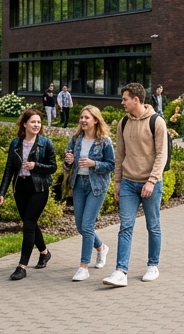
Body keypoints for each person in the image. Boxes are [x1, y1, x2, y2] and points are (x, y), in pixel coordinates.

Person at [103, 83, 169, 287]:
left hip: (151, 184)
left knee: (153, 225)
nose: (122, 102)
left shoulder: (157, 122)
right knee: (125, 227)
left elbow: (162, 155)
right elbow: (120, 155)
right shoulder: (123, 123)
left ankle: (152, 265)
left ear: (136, 100)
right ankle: (120, 271)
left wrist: (151, 181)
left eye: (124, 99)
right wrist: (117, 182)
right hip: (128, 184)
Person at [0, 108, 57, 280]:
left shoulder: (46, 143)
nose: (36, 125)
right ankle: (44, 252)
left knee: (28, 224)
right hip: (20, 188)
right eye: (33, 122)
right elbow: (9, 169)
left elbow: (53, 167)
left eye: (38, 122)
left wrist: (36, 166)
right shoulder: (15, 143)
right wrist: (2, 192)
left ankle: (22, 267)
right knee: (30, 223)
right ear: (24, 124)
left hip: (39, 189)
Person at [63, 106, 114, 281]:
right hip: (79, 184)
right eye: (81, 118)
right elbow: (68, 162)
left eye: (87, 118)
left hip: (96, 186)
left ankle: (83, 267)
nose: (83, 120)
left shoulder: (104, 141)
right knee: (80, 226)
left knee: (87, 225)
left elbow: (111, 165)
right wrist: (68, 161)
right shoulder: (76, 138)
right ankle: (101, 248)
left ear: (95, 120)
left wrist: (94, 164)